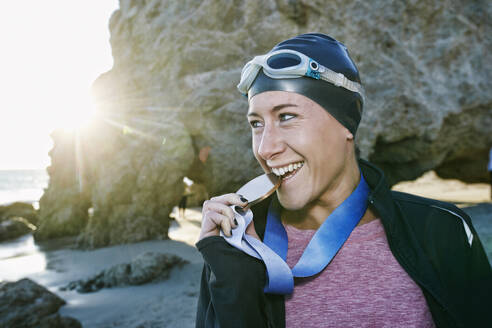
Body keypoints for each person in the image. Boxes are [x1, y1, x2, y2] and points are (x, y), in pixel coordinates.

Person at [195, 33, 492, 328]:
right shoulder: (237, 244)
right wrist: (232, 279)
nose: (265, 148)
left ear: (347, 120)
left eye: (286, 116)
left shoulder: (443, 229)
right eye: (256, 124)